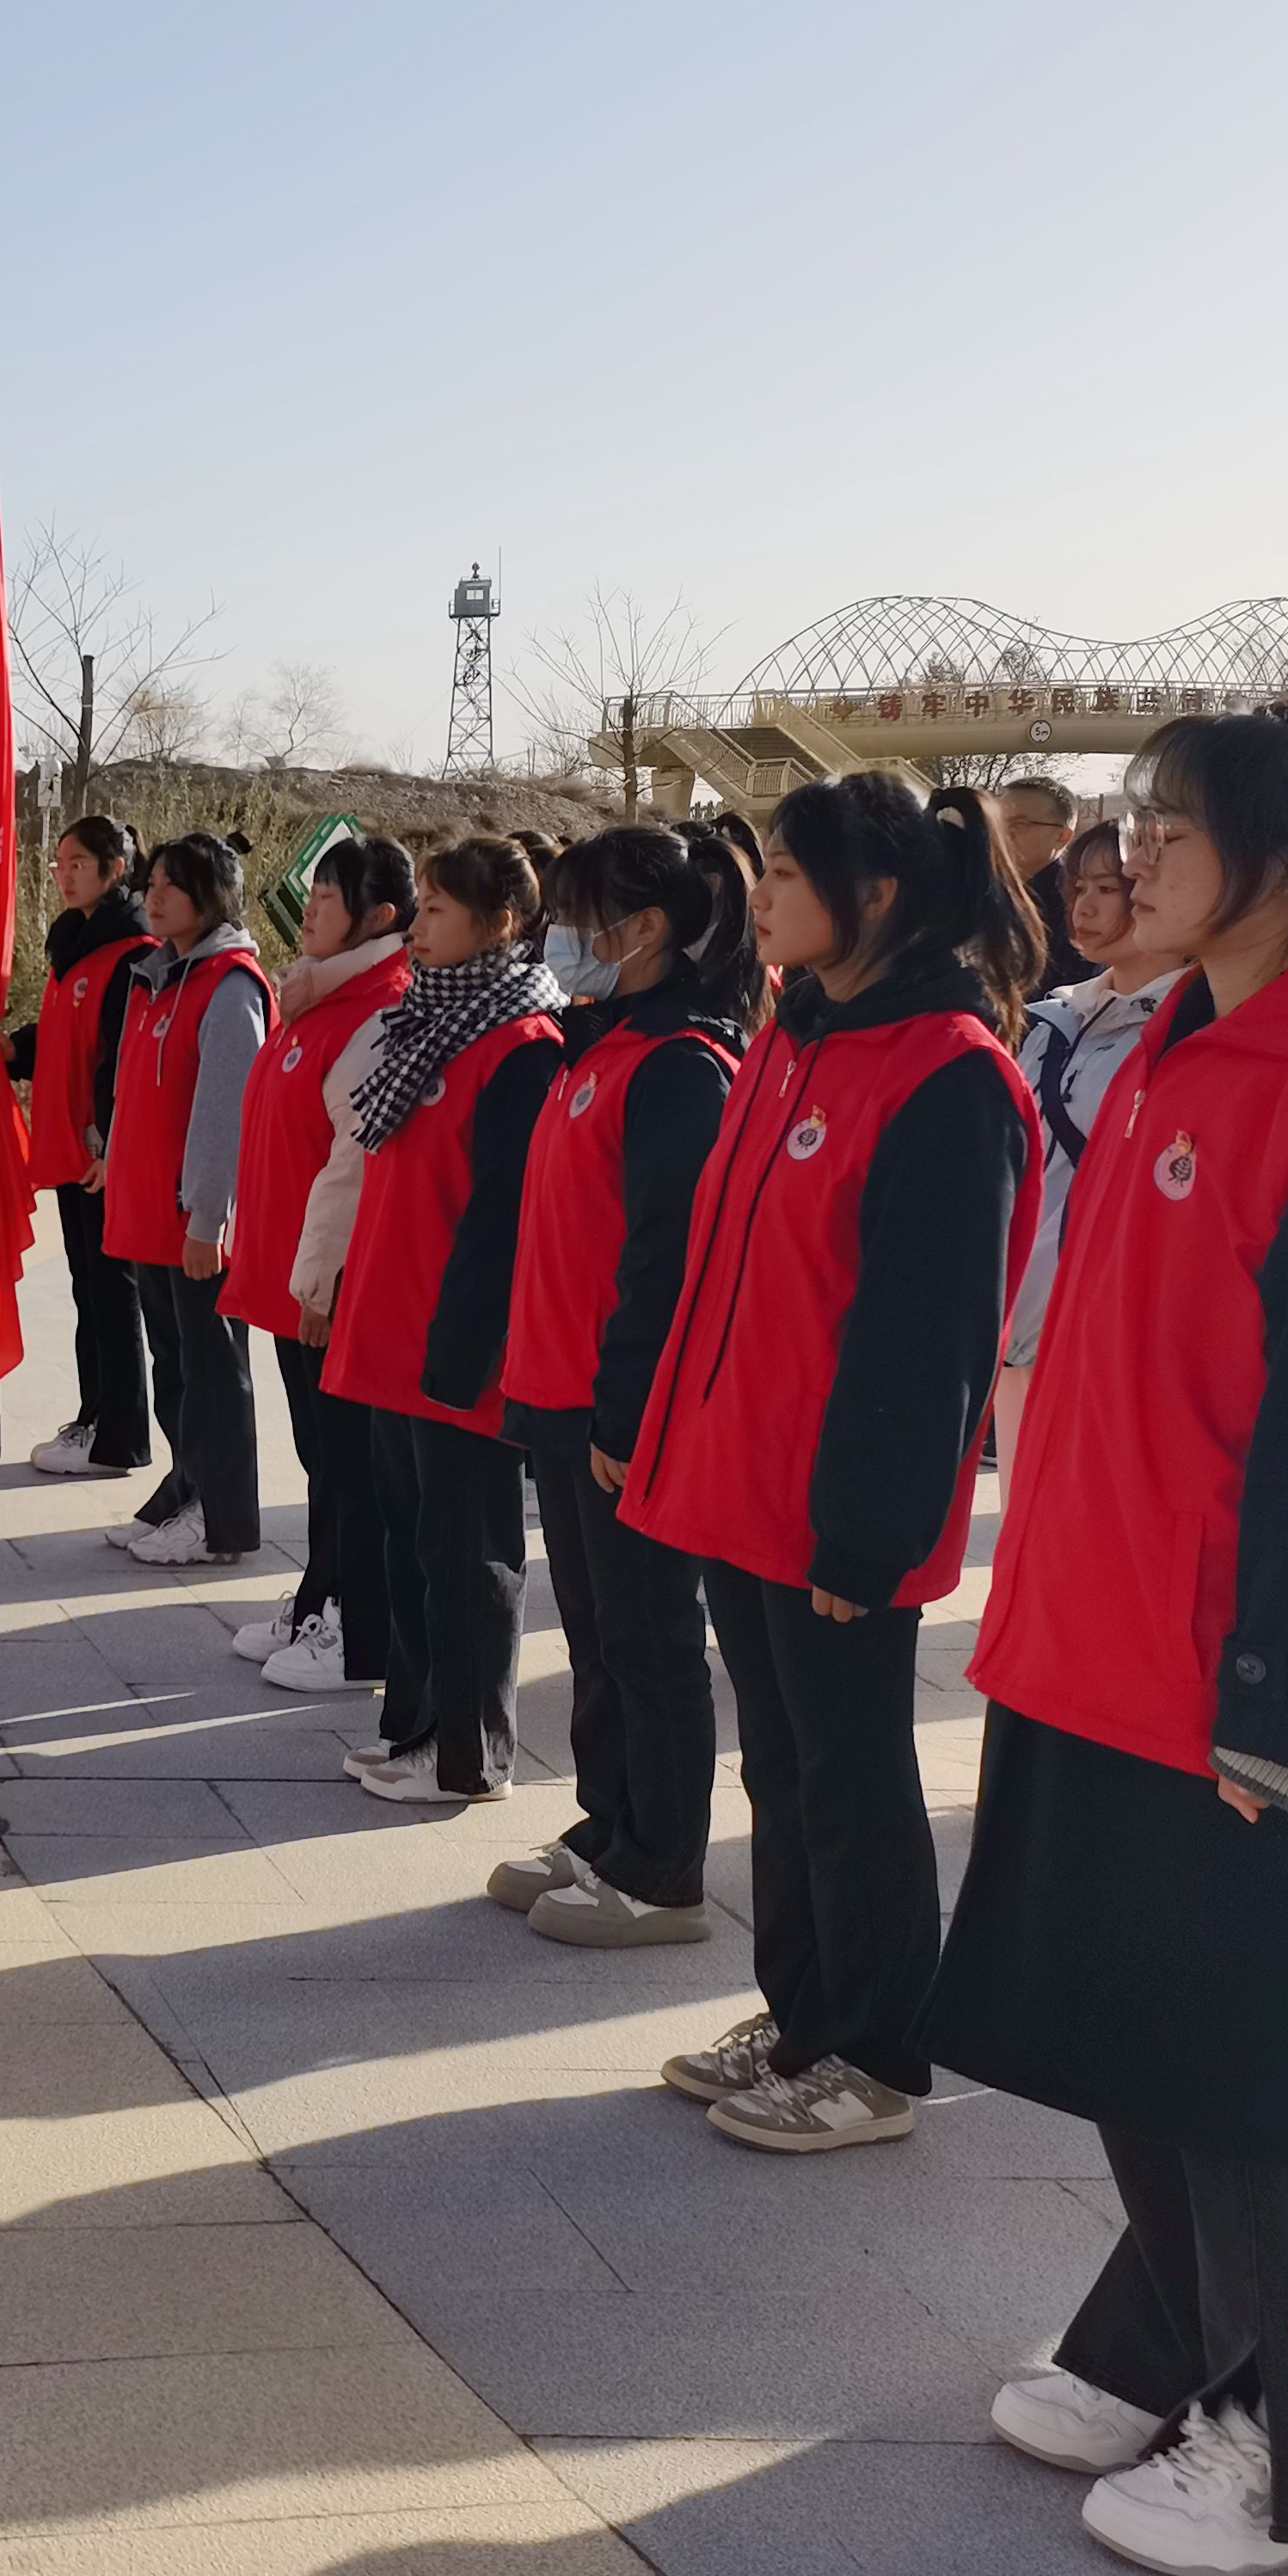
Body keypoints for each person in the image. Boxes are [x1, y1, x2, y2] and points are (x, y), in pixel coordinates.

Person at [930, 704, 1288, 2576]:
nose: (1129, 857)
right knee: (1131, 2028)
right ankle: (1166, 2346)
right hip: (1096, 1631)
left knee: (1277, 2082)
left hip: (1241, 1678)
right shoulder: (1170, 1036)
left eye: (1174, 828)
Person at [623, 772, 1039, 2154]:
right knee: (787, 1771)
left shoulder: (947, 1073)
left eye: (792, 874)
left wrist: (868, 1531)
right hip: (742, 1485)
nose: (763, 896)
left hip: (836, 1510)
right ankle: (801, 2012)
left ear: (880, 894)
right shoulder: (795, 1035)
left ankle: (876, 2051)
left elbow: (931, 1334)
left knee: (853, 1782)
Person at [490, 823, 758, 1945]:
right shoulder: (596, 1047)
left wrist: (629, 1410)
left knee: (651, 1638)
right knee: (598, 1638)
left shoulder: (682, 1065)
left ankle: (665, 1867)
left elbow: (666, 1259)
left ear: (645, 928)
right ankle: (611, 1823)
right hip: (559, 1392)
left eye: (576, 917)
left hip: (622, 1408)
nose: (555, 937)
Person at [324, 840, 563, 1805]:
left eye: (435, 909)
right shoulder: (425, 1022)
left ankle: (469, 1753)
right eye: (417, 906)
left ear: (499, 923)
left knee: (467, 1554)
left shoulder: (523, 1044)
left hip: (455, 1347)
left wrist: (465, 1351)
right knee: (411, 1542)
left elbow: (502, 1219)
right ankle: (417, 1725)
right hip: (391, 1330)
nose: (417, 926)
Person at [220, 832, 413, 1688]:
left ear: (379, 916)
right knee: (320, 1456)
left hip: (326, 1280)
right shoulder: (316, 997)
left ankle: (355, 1628)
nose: (310, 910)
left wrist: (325, 1277)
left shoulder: (378, 1007)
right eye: (314, 893)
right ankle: (319, 1599)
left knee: (348, 1462)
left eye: (329, 899)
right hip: (288, 1269)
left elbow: (355, 1164)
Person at [100, 835, 273, 1565]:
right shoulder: (156, 978)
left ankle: (221, 1519)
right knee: (175, 1369)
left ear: (213, 894)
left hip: (195, 1224)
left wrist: (210, 1215)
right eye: (153, 882)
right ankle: (186, 1489)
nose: (155, 894)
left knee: (213, 1375)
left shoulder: (229, 986)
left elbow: (227, 1113)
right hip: (150, 1217)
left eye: (172, 883)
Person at [995, 820, 1181, 1469]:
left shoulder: (1189, 1031)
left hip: (1109, 1330)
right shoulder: (1049, 1019)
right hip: (1018, 1321)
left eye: (1110, 887)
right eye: (1078, 887)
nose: (1085, 906)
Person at [14, 819, 159, 1480]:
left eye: (78, 862)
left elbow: (125, 1061)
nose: (64, 874)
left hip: (103, 1156)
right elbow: (64, 1035)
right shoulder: (73, 944)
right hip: (73, 1152)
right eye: (59, 863)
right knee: (89, 1291)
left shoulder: (132, 954)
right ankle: (95, 1417)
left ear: (115, 869)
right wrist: (14, 1049)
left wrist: (114, 1143)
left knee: (111, 1295)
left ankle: (115, 1435)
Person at [1003, 773, 1091, 994]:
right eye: (996, 823)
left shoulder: (1077, 903)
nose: (1003, 833)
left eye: (1019, 824)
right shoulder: (980, 890)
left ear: (1062, 836)